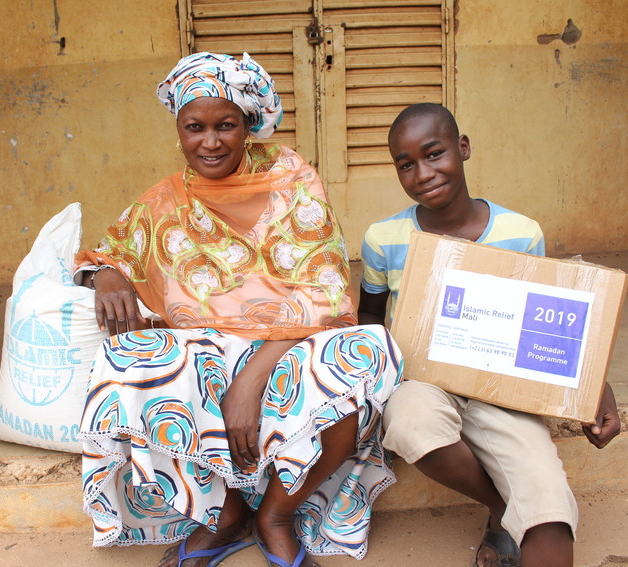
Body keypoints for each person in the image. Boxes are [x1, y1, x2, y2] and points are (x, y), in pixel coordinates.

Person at [75, 52, 403, 567]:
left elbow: (325, 292)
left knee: (366, 352)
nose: (210, 141)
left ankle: (277, 515)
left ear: (248, 124)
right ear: (179, 129)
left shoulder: (291, 180)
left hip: (293, 341)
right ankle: (225, 517)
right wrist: (107, 274)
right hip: (206, 343)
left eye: (225, 125)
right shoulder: (165, 200)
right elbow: (108, 251)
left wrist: (250, 381)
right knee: (122, 362)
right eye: (194, 127)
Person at [358, 102, 621, 567]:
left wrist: (593, 387)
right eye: (406, 164)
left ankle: (523, 513)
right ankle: (503, 508)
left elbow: (548, 322)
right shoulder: (385, 238)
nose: (422, 173)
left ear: (463, 148)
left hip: (505, 391)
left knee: (549, 511)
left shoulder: (521, 234)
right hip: (426, 382)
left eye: (434, 154)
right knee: (410, 419)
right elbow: (370, 323)